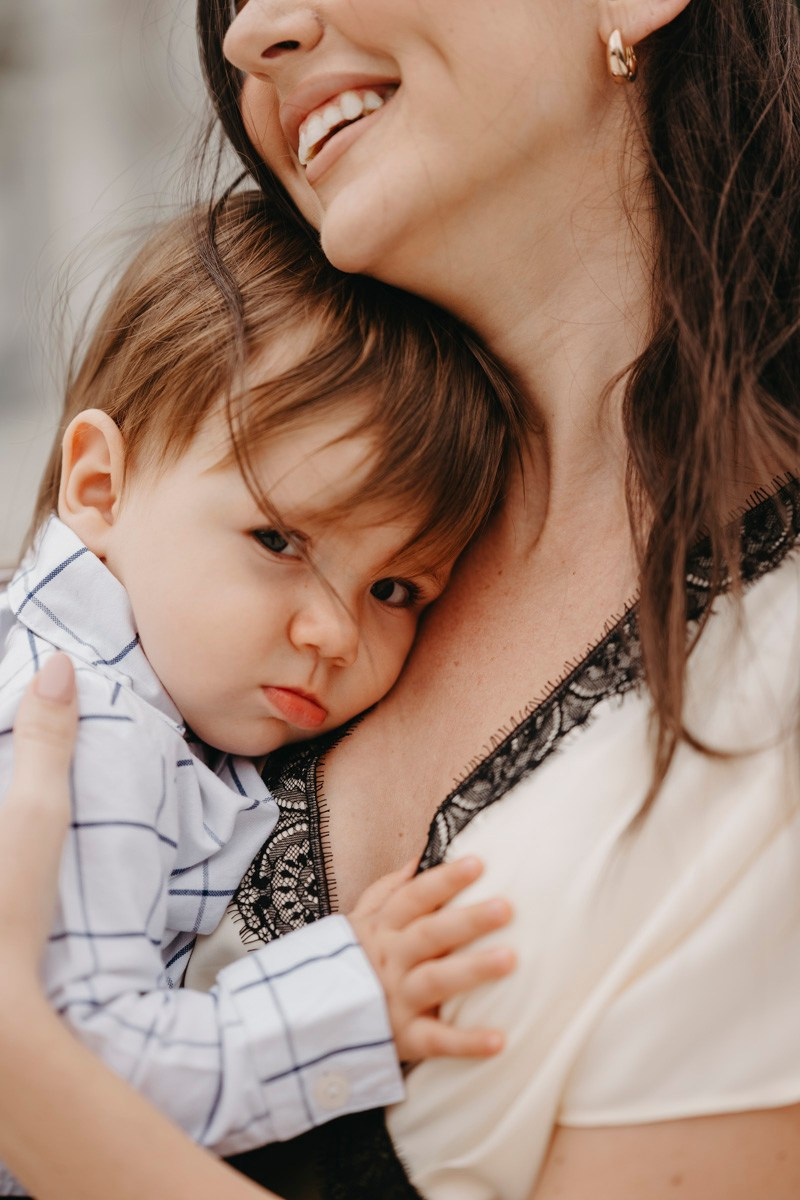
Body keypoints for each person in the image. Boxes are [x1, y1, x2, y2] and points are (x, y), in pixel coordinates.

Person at [1, 0, 800, 1196]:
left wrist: (26, 1070)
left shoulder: (767, 684)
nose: (248, 32)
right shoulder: (190, 524)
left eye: (393, 588)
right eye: (277, 538)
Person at [0, 192, 520, 1195]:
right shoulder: (80, 724)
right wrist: (351, 994)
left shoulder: (155, 701)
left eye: (394, 589)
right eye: (278, 540)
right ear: (100, 487)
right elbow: (74, 1084)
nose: (332, 632)